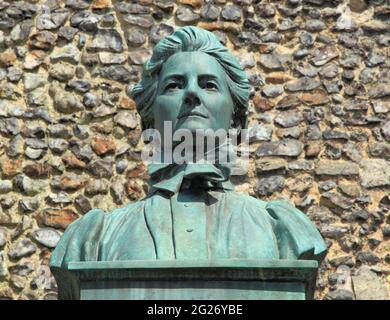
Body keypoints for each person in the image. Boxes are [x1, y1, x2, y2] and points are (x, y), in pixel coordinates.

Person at [50, 26, 326, 268]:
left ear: (236, 120)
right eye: (174, 85)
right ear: (148, 120)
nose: (192, 93)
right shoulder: (93, 240)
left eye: (208, 85)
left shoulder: (285, 232)